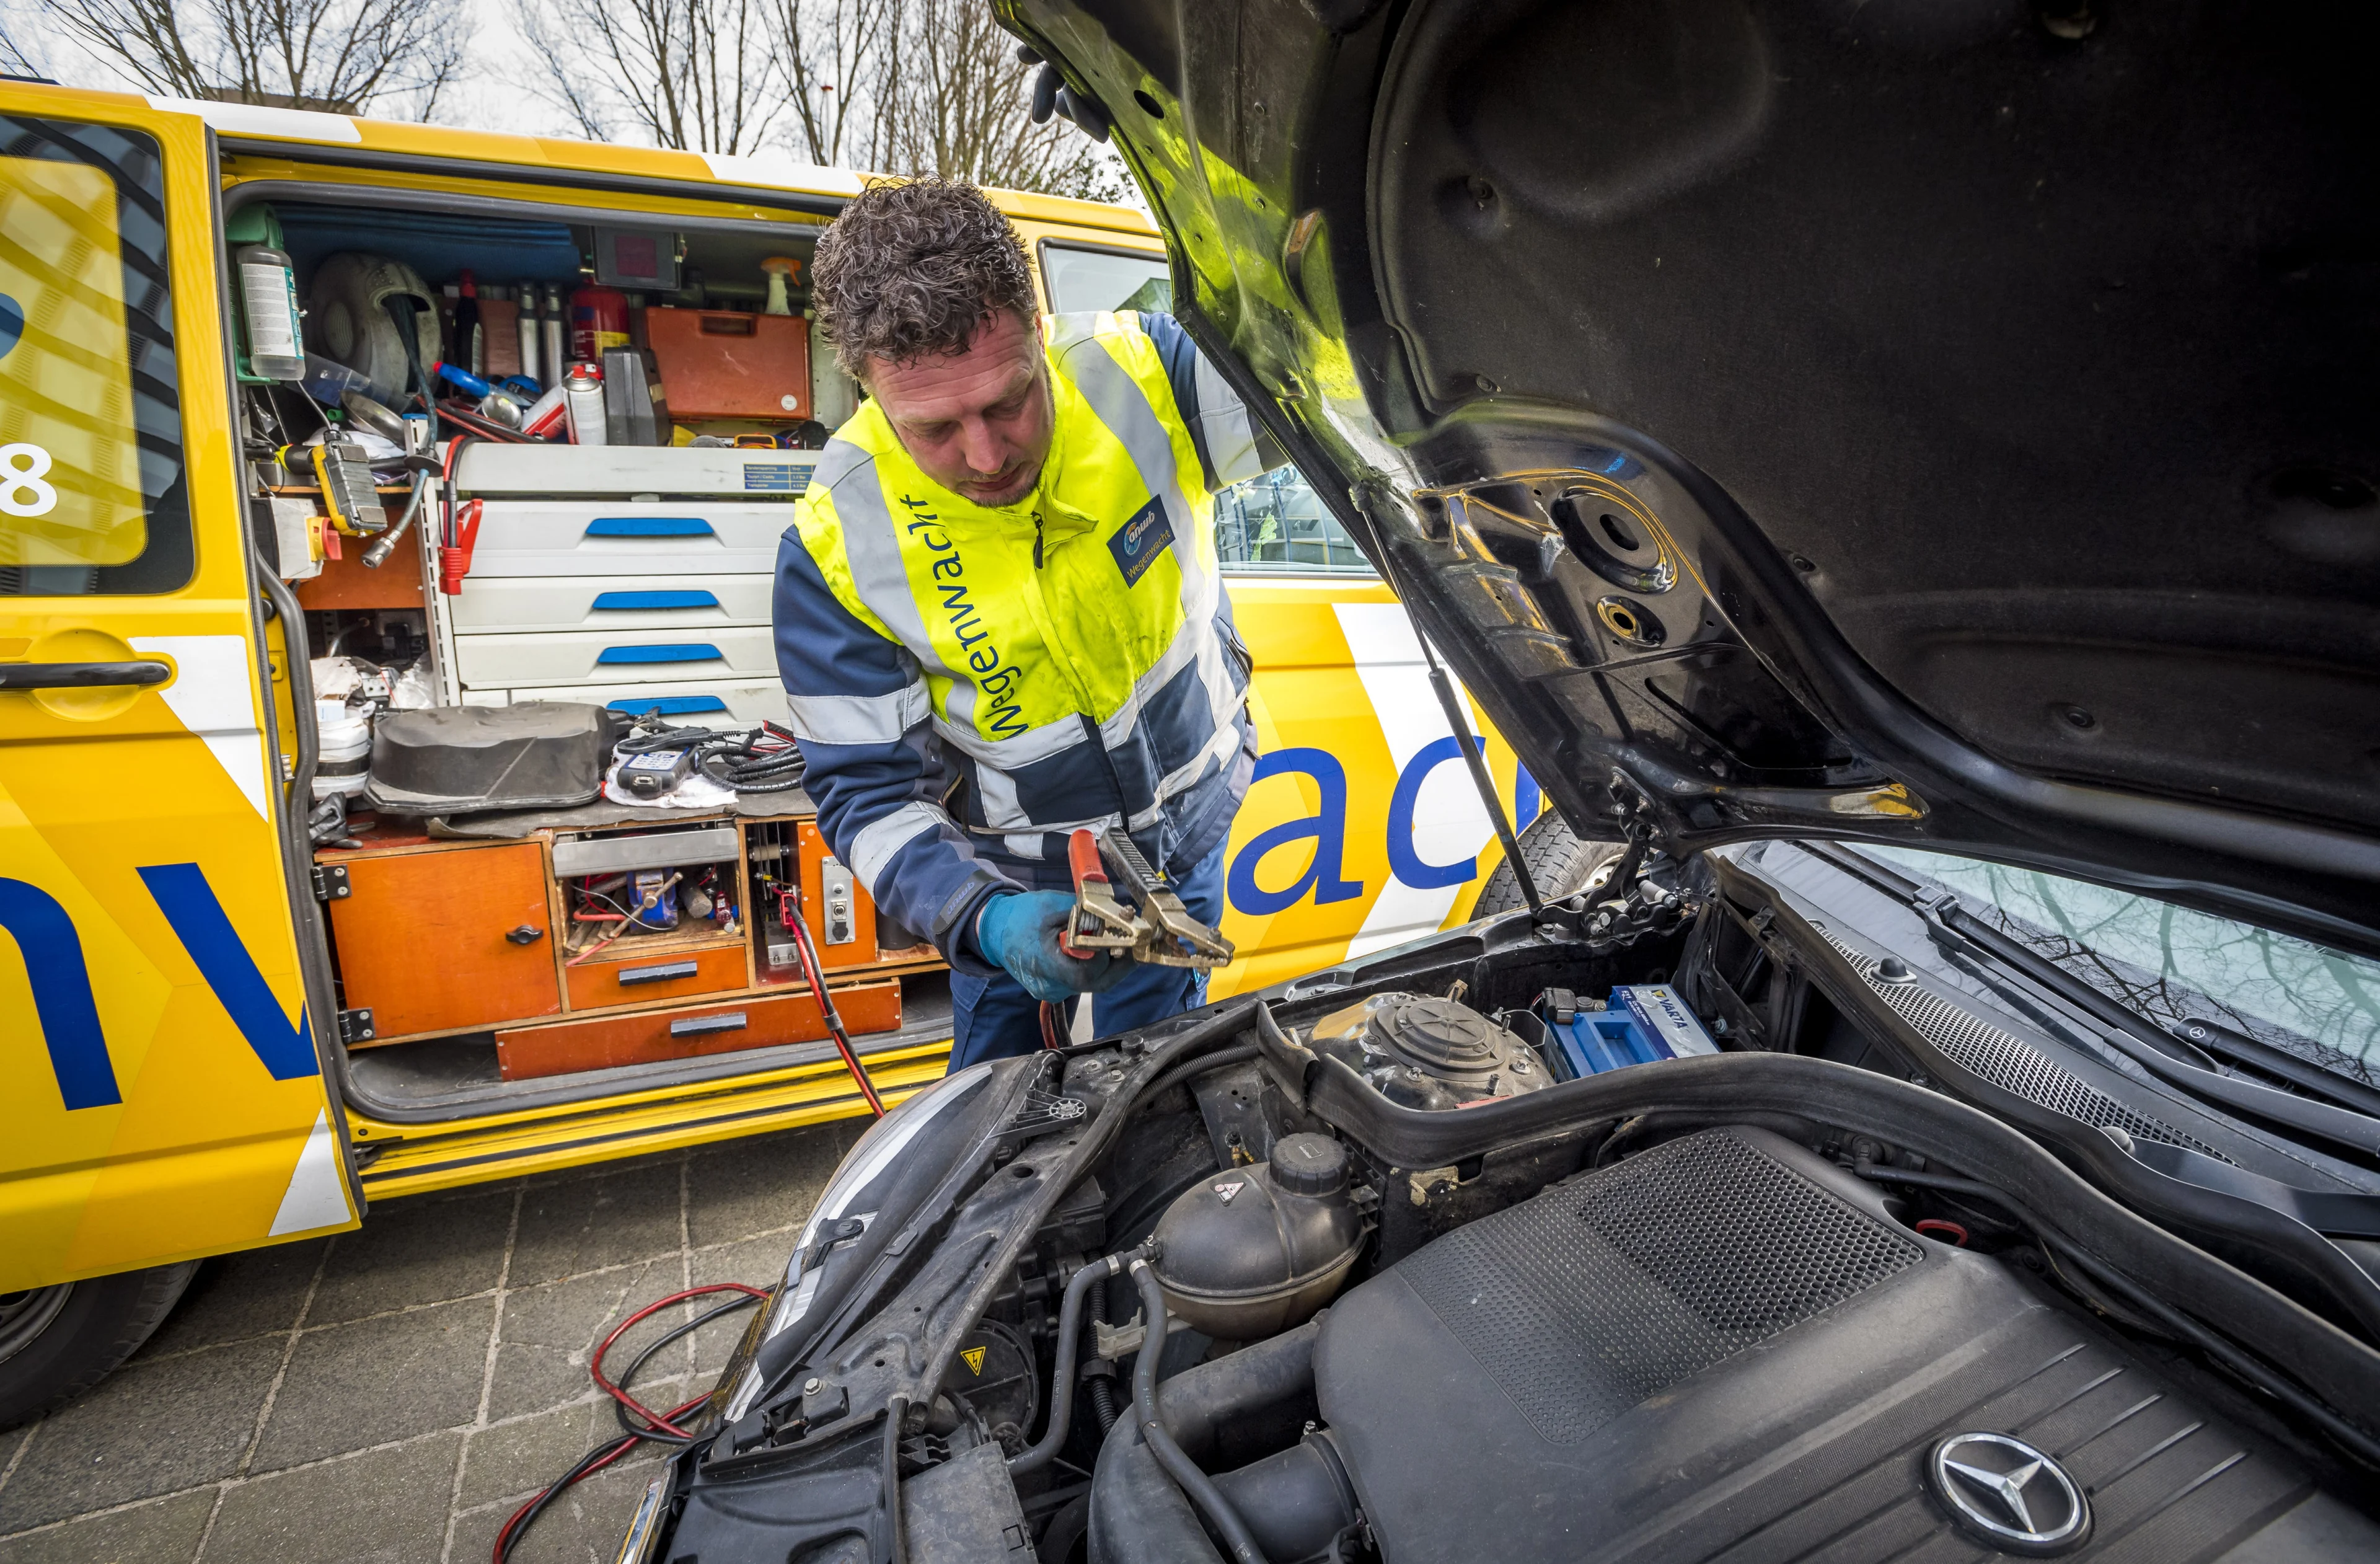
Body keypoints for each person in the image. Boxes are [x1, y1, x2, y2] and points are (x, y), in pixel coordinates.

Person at [773, 179, 1284, 1069]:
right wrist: (981, 916)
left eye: (1008, 401)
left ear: (1039, 330)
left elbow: (1341, 397)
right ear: (868, 389)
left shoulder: (1148, 376)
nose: (984, 456)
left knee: (1159, 1082)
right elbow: (866, 796)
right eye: (934, 428)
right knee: (1000, 1110)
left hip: (1190, 833)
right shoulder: (836, 544)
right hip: (1013, 884)